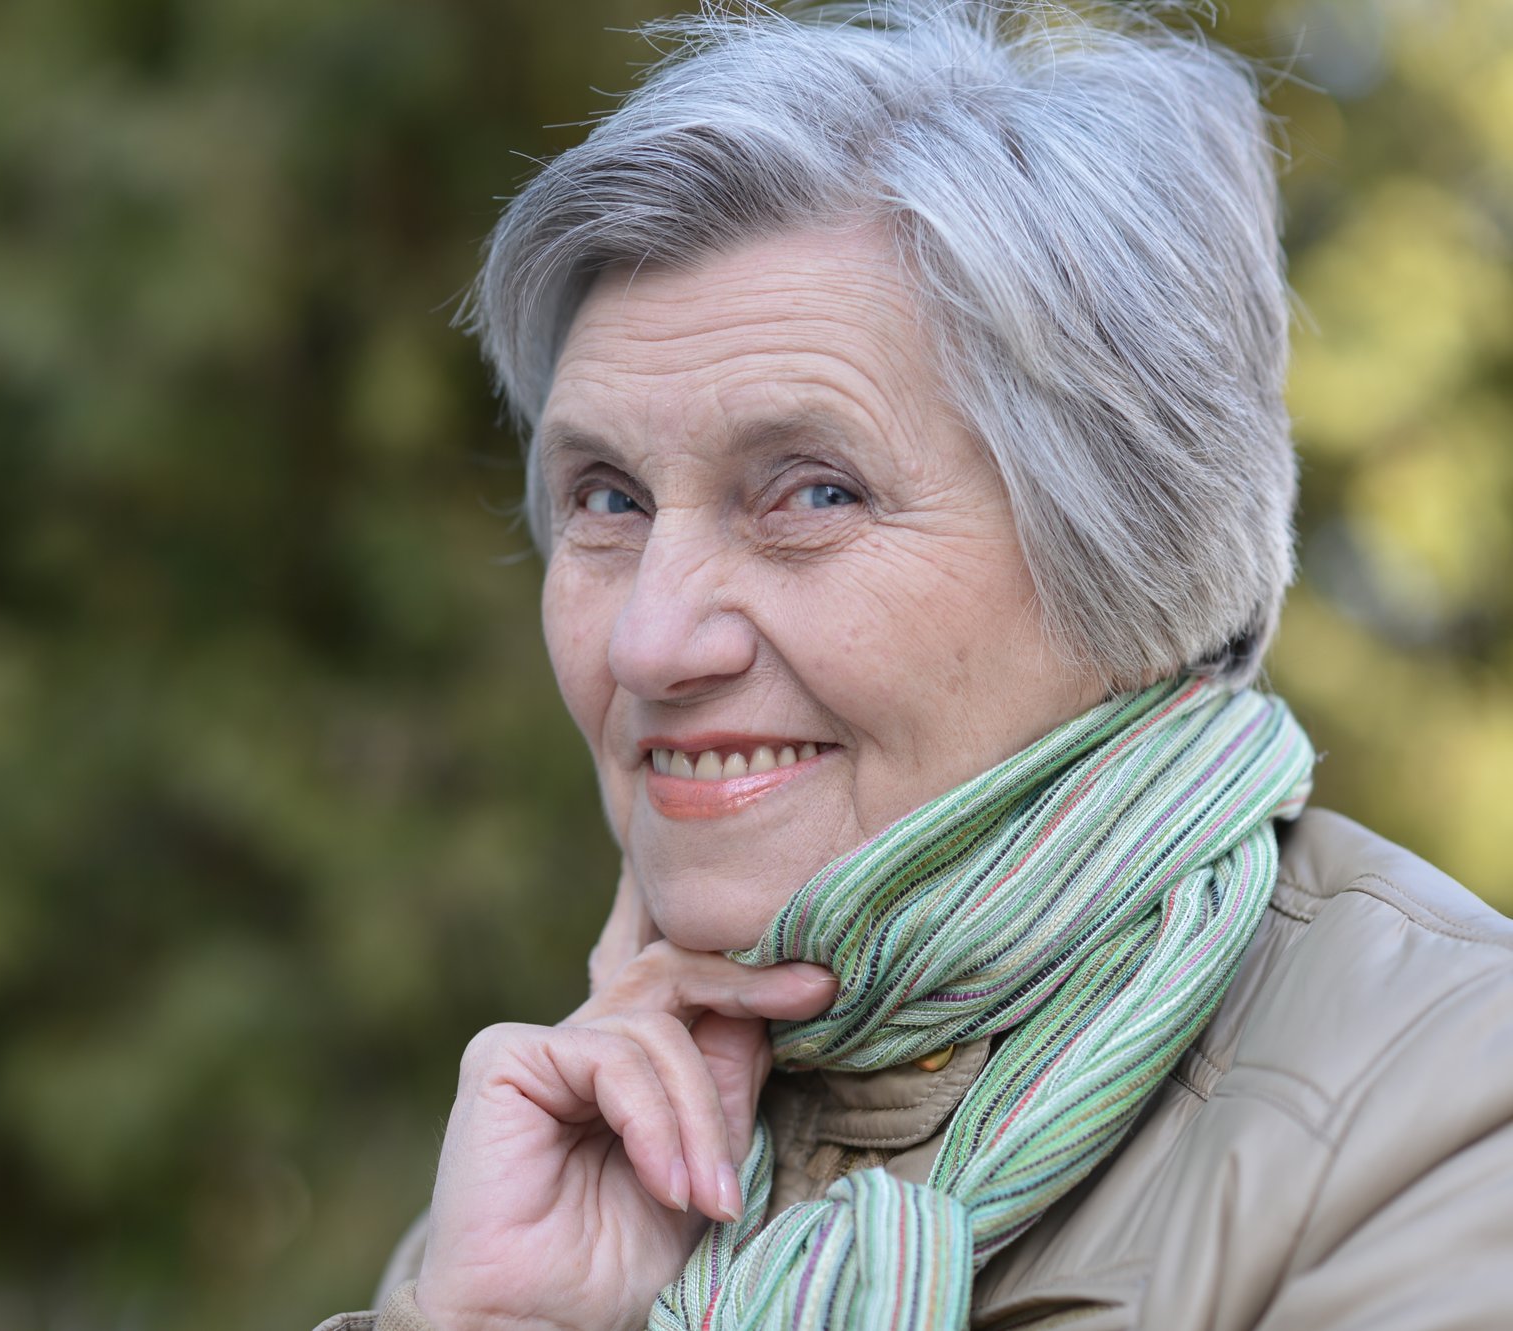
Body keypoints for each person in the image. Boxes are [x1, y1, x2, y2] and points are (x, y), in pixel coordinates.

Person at [319, 3, 1513, 1327]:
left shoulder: (1452, 1112)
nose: (647, 641)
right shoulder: (554, 1172)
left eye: (813, 494)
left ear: (1135, 552)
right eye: (608, 499)